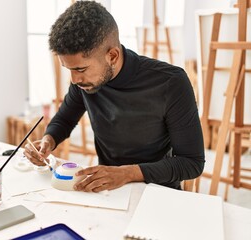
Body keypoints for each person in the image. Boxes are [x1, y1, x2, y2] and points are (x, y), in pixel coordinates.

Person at [24, 1, 205, 192]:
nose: (75, 79)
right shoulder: (84, 82)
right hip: (108, 189)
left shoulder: (171, 82)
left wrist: (127, 173)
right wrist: (48, 141)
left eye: (80, 69)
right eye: (69, 69)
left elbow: (191, 163)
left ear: (112, 56)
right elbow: (65, 119)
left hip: (157, 191)